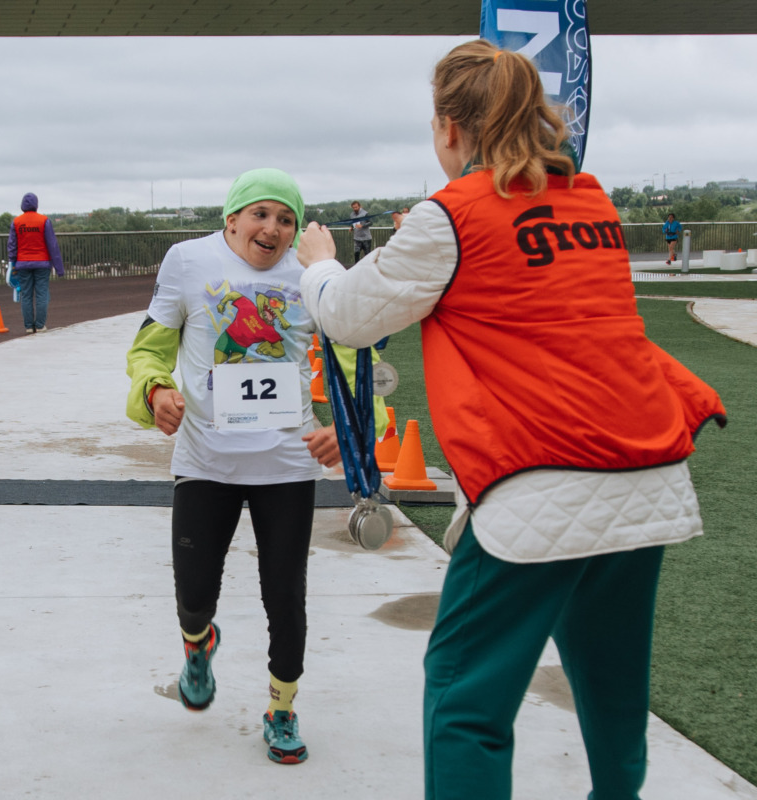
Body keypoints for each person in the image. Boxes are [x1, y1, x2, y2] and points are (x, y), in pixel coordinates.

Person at [296, 40, 725, 799]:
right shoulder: (591, 200)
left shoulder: (451, 215)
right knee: (614, 682)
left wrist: (319, 263)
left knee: (466, 695)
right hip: (647, 475)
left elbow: (348, 317)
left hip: (540, 487)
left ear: (450, 129)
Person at [126, 168, 341, 765]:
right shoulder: (188, 262)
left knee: (285, 598)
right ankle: (199, 643)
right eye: (261, 214)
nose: (272, 229)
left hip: (288, 465)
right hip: (205, 460)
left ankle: (281, 708)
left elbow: (352, 356)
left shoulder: (314, 273)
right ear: (232, 219)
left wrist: (348, 432)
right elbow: (149, 346)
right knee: (193, 595)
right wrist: (155, 390)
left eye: (287, 219)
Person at [7, 192, 64, 333]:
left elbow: (12, 245)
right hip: (42, 263)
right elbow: (52, 245)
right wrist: (59, 268)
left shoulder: (17, 222)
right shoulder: (44, 221)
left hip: (22, 263)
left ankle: (28, 326)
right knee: (41, 294)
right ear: (36, 204)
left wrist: (12, 262)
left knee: (26, 295)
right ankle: (40, 326)